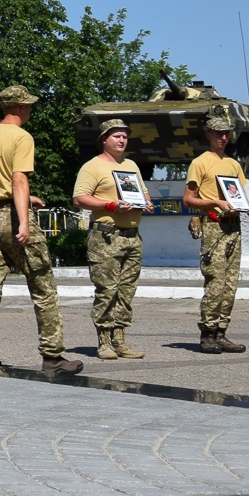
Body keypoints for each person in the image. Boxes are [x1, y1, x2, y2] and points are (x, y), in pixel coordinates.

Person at [0, 86, 83, 373]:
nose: (30, 110)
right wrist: (23, 219)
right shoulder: (21, 137)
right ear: (20, 107)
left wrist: (23, 198)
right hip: (12, 217)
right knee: (43, 288)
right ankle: (53, 356)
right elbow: (18, 180)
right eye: (28, 105)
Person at [72, 118, 153, 360]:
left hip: (132, 237)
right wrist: (110, 205)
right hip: (106, 236)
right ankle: (104, 341)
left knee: (126, 291)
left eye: (125, 136)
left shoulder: (131, 165)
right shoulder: (92, 167)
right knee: (107, 290)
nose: (122, 140)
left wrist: (146, 203)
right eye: (116, 136)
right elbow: (79, 198)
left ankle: (120, 340)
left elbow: (143, 192)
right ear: (104, 140)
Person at [183, 112, 249, 353]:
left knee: (230, 285)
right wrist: (215, 202)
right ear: (208, 134)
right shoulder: (200, 162)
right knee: (215, 283)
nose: (223, 138)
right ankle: (207, 335)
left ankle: (221, 332)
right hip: (214, 226)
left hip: (234, 226)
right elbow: (188, 199)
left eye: (226, 133)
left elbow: (239, 195)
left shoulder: (233, 164)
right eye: (218, 133)